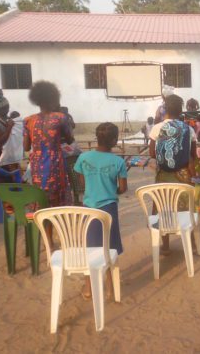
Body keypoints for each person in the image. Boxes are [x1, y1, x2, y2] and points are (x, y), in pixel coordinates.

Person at [74, 122, 127, 300]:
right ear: (114, 140)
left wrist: (94, 186)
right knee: (109, 248)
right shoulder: (118, 162)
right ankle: (111, 287)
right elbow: (122, 188)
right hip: (108, 209)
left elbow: (81, 184)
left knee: (90, 248)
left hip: (89, 208)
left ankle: (89, 288)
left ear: (97, 138)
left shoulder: (83, 158)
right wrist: (111, 189)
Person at [149, 94, 196, 255]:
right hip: (183, 174)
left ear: (165, 110)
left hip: (163, 174)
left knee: (164, 207)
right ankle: (191, 243)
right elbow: (193, 153)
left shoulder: (157, 128)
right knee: (185, 207)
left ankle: (166, 246)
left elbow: (152, 153)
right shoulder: (188, 129)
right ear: (181, 110)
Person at [24, 81, 73, 209]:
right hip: (54, 162)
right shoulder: (60, 118)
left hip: (37, 164)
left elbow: (26, 147)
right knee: (57, 199)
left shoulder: (29, 120)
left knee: (42, 198)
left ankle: (43, 226)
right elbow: (70, 140)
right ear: (53, 98)